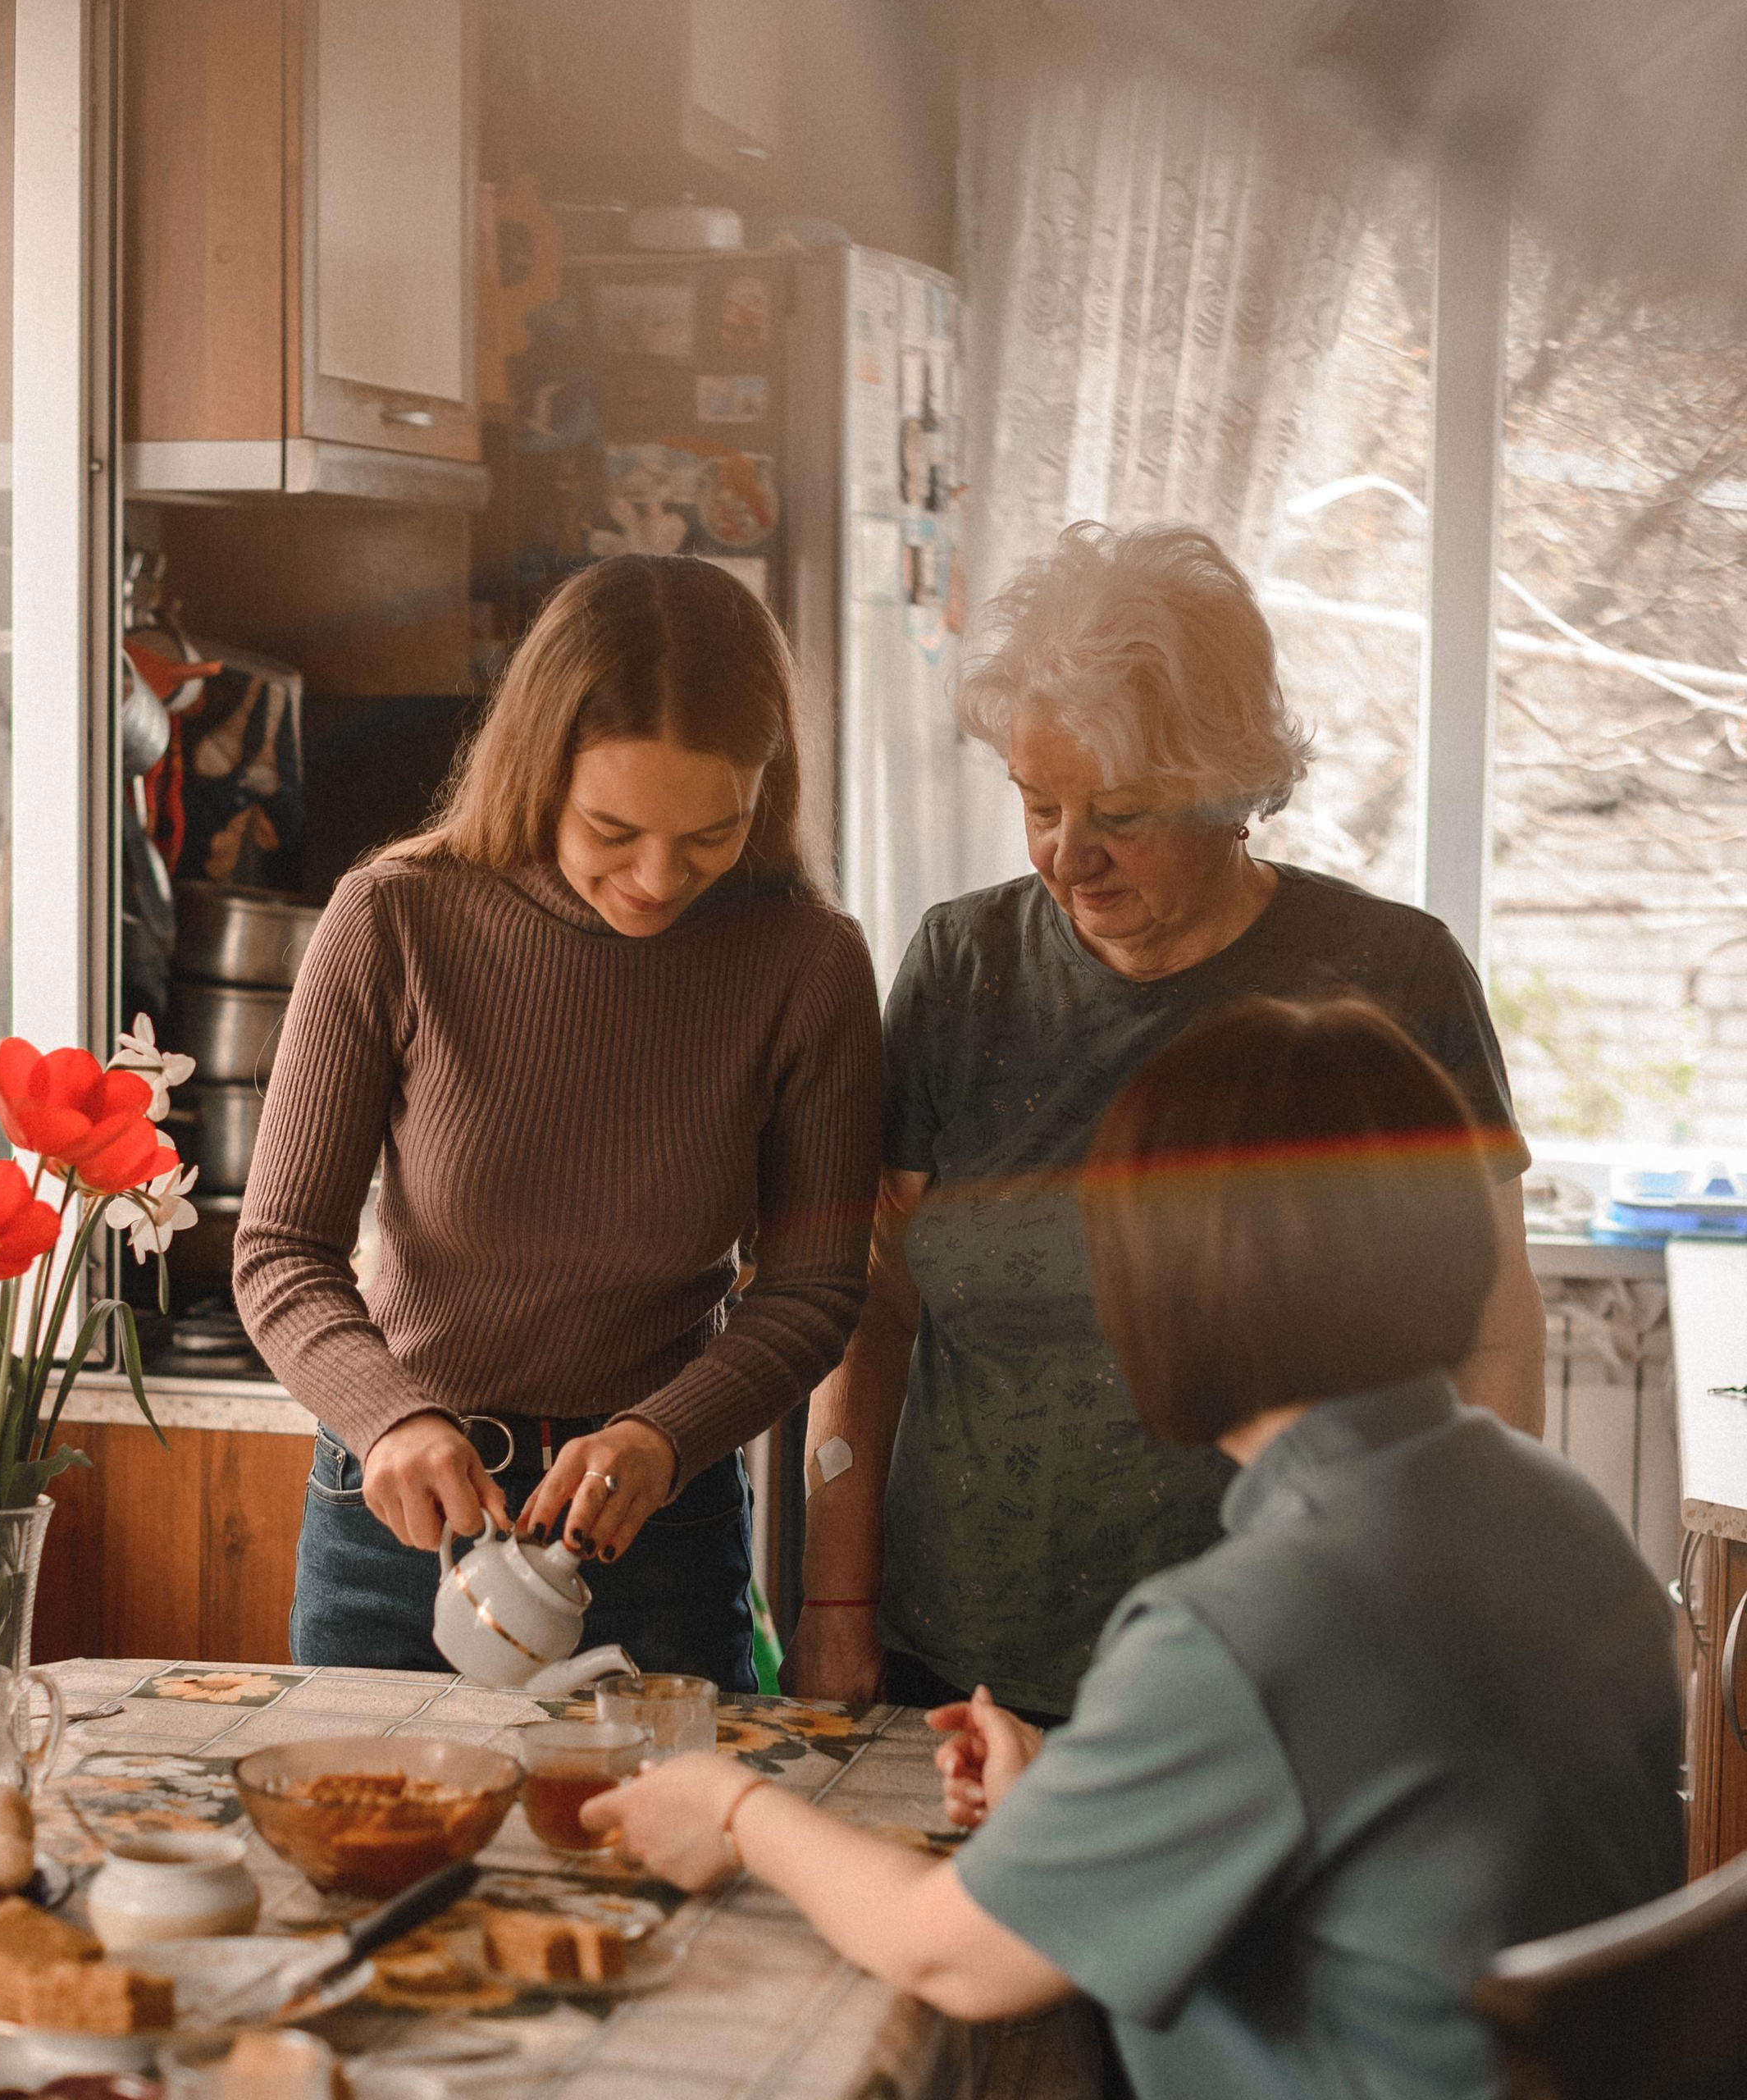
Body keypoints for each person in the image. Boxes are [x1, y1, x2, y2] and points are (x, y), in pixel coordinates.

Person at [595, 998, 1682, 2100]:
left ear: (1184, 1288)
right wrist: (1085, 1804)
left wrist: (732, 1809)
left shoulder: (1244, 1630)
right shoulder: (1561, 1512)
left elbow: (948, 1956)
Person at [788, 520, 1547, 1723]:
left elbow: (1493, 1336)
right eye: (1038, 803)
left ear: (1233, 790)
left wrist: (1457, 1622)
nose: (1068, 856)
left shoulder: (1391, 981)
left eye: (1123, 813)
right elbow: (875, 1311)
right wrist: (835, 1604)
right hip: (963, 1671)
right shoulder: (962, 966)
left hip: (1287, 1669)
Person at [233, 555, 882, 1692]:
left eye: (713, 833)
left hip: (656, 1528)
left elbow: (815, 1288)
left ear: (766, 793)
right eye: (612, 827)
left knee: (668, 1818)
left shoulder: (807, 964)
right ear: (538, 769)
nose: (658, 878)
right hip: (402, 1522)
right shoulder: (394, 918)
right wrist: (391, 1420)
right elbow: (281, 1251)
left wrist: (665, 1436)